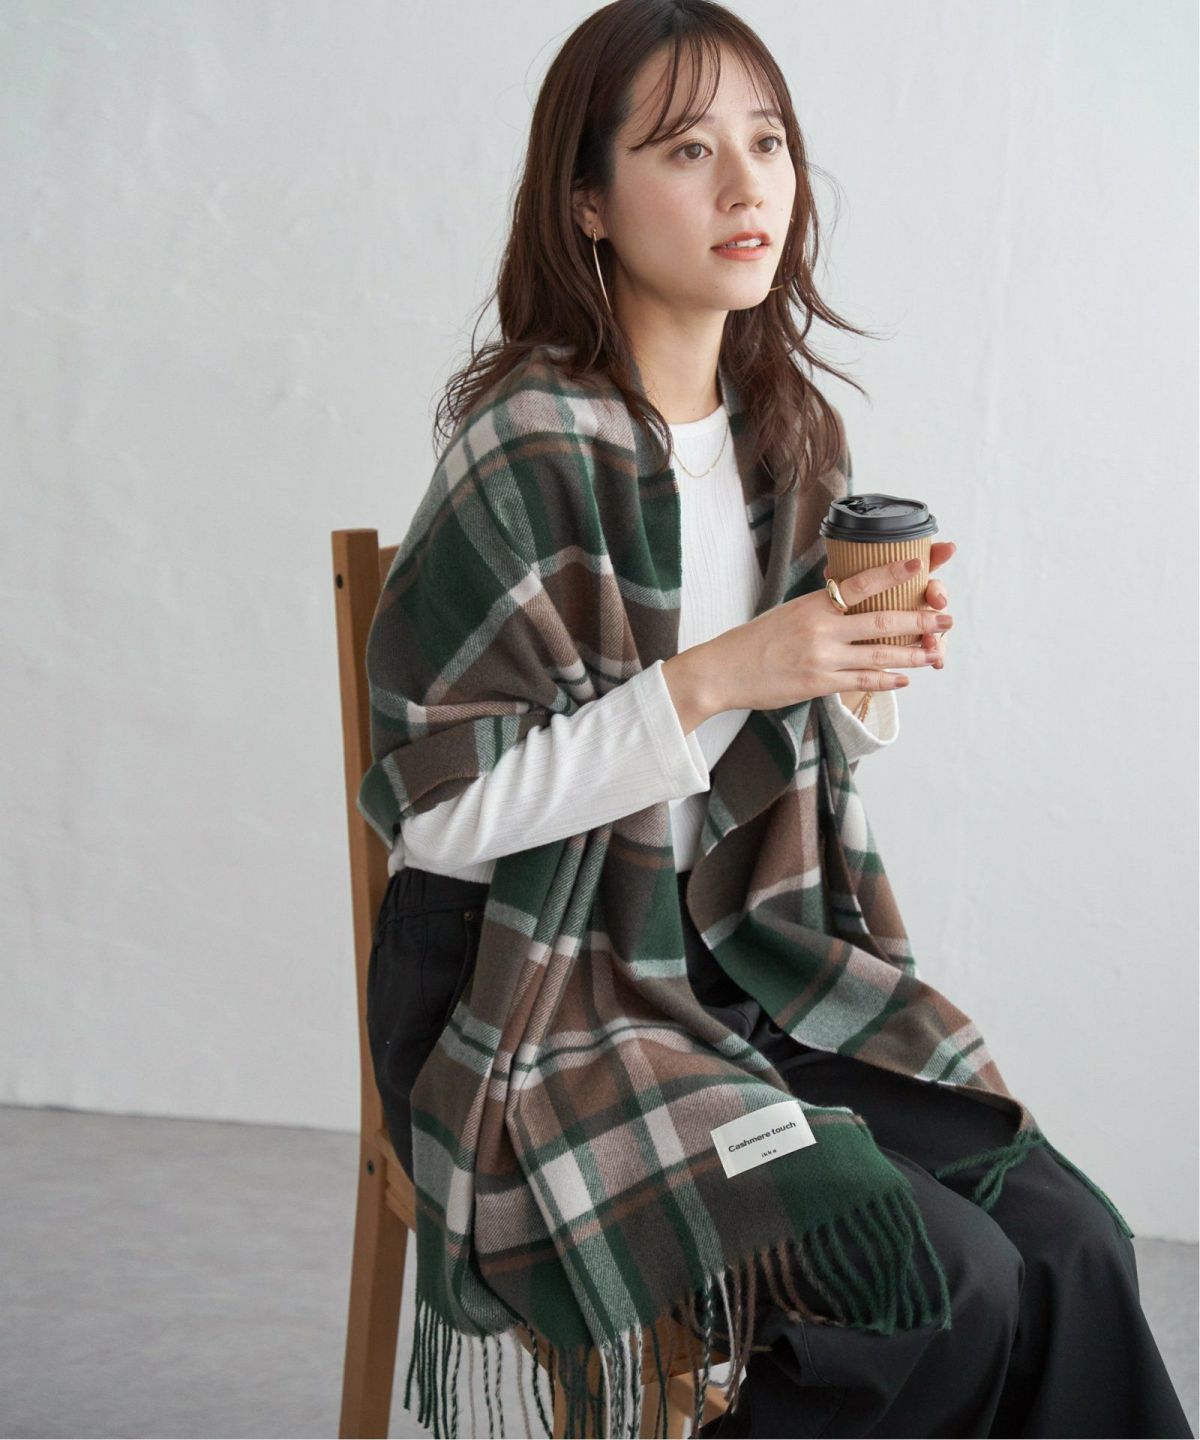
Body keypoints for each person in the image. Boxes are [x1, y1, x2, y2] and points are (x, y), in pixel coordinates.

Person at [363, 2, 1193, 1435]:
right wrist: (727, 671)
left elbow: (763, 776)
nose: (747, 185)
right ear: (588, 201)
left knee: (1068, 1243)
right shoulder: (528, 450)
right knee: (942, 1284)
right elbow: (434, 814)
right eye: (687, 150)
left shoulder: (789, 437)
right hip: (533, 996)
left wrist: (851, 678)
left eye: (768, 142)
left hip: (748, 957)